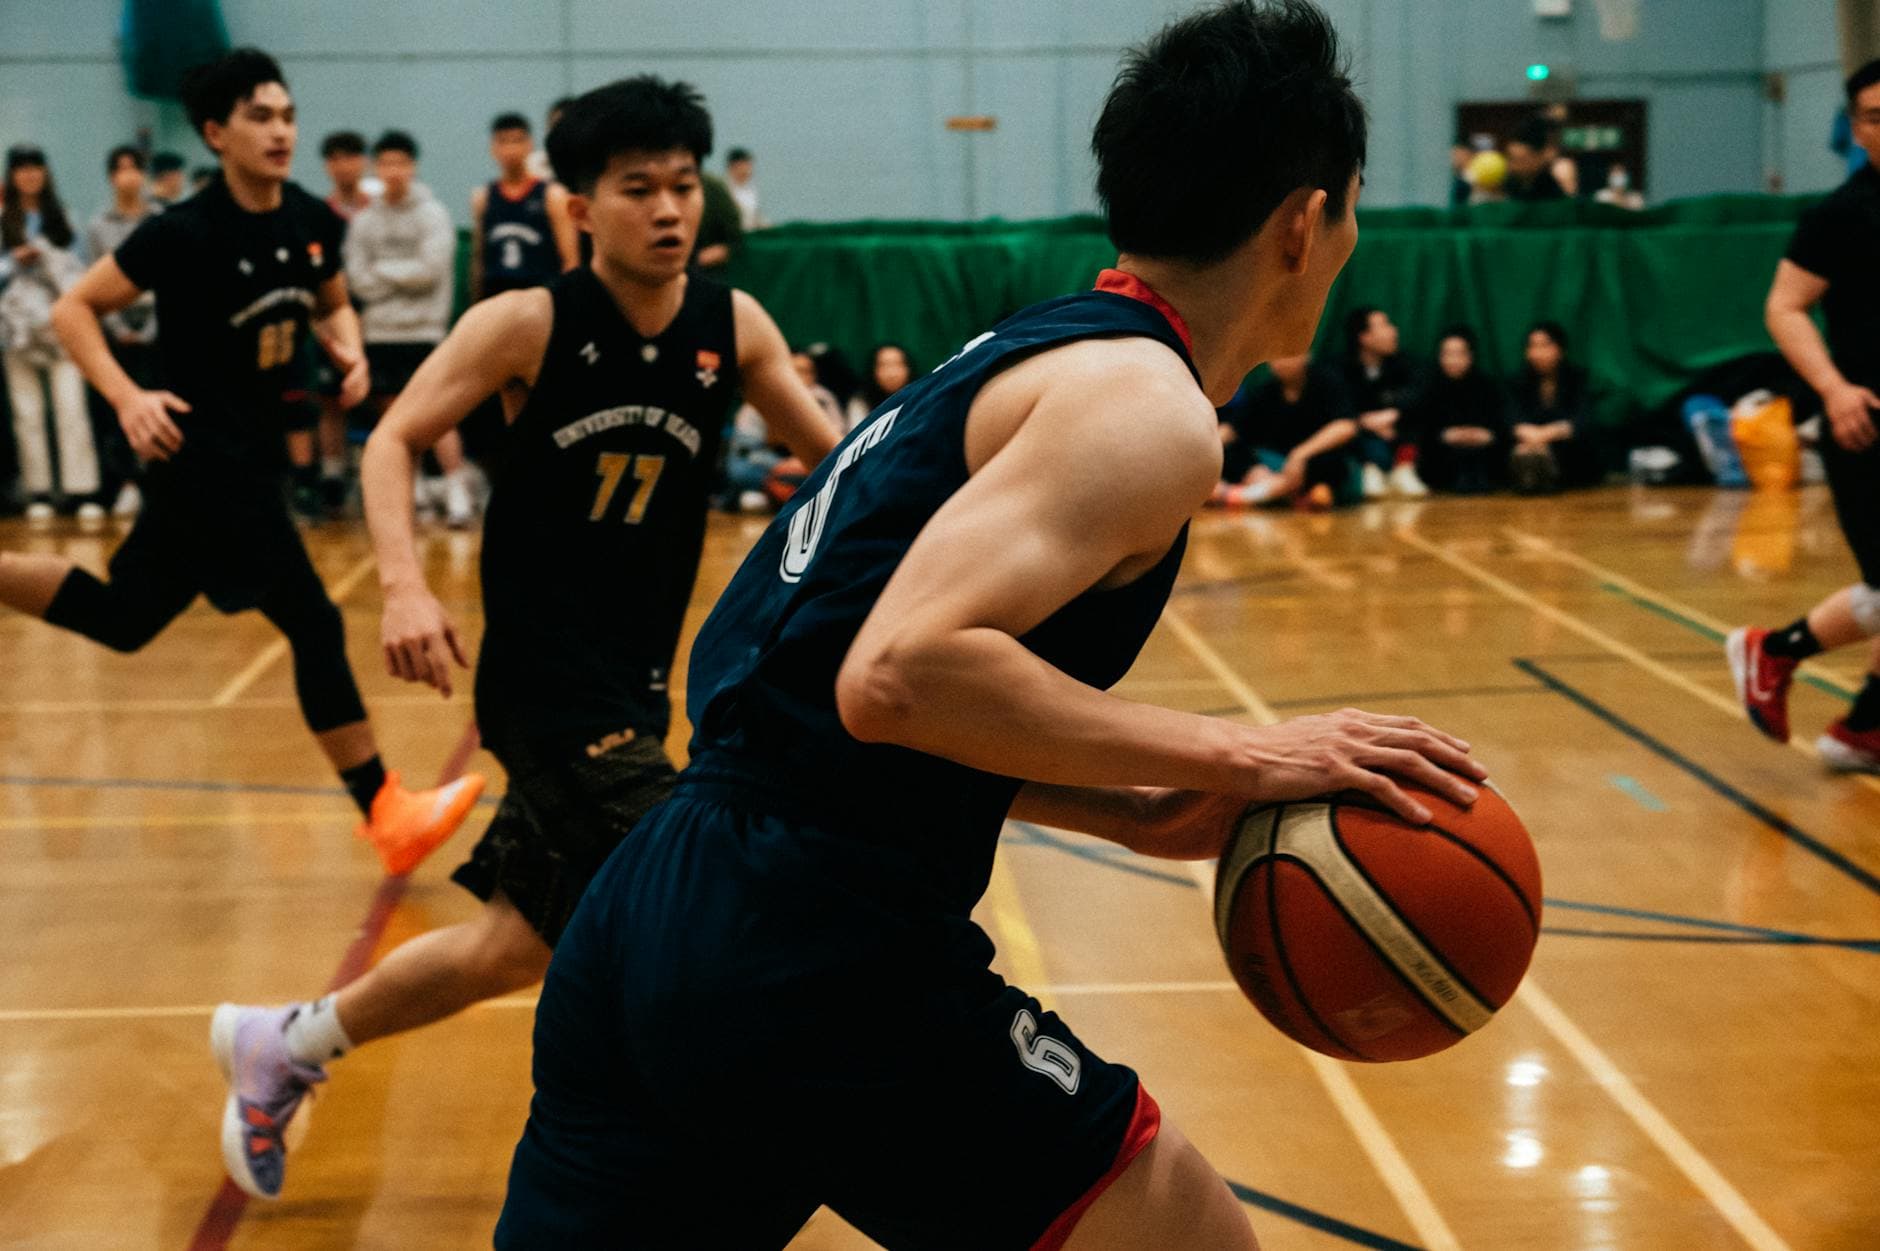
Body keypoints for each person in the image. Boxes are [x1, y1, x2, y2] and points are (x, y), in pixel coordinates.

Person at [496, 5, 1484, 1247]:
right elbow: (897, 676)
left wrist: (1118, 807)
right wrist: (1241, 753)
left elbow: (820, 712)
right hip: (811, 950)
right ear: (1303, 221)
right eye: (1348, 207)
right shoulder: (1149, 407)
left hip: (656, 912)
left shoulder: (1031, 352)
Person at [209, 74, 841, 1201]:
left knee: (515, 946)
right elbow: (391, 439)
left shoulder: (731, 326)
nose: (667, 210)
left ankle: (285, 1044)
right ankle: (705, 1149)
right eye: (636, 187)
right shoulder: (528, 324)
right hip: (546, 689)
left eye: (682, 187)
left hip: (640, 684)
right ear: (579, 206)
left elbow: (839, 466)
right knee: (699, 887)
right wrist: (403, 588)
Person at [18, 50, 483, 894]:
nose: (280, 131)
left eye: (286, 114)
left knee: (125, 617)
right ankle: (387, 812)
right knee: (312, 620)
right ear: (214, 133)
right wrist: (126, 397)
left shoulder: (307, 218)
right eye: (259, 117)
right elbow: (70, 307)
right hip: (200, 461)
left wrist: (345, 345)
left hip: (252, 460)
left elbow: (331, 295)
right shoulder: (181, 233)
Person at [1731, 57, 1880, 772]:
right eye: (1877, 117)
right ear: (1857, 128)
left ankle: (1863, 727)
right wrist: (1835, 388)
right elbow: (1783, 306)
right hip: (1865, 425)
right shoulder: (1841, 215)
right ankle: (1776, 651)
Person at [344, 130, 473, 527]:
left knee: (437, 417)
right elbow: (357, 278)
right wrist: (401, 275)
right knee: (396, 416)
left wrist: (383, 274)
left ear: (412, 166)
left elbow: (431, 271)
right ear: (376, 167)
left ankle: (457, 491)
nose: (393, 171)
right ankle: (414, 489)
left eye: (400, 162)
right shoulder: (364, 221)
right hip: (381, 331)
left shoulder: (433, 215)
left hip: (424, 330)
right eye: (385, 163)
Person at [1, 144, 100, 523]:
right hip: (16, 332)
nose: (29, 175)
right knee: (28, 413)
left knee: (71, 408)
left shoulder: (65, 219)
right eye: (21, 169)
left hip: (62, 329)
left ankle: (81, 490)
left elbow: (83, 273)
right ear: (11, 176)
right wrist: (13, 261)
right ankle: (38, 490)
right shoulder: (2, 220)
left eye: (35, 168)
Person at [287, 130, 372, 517]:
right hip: (332, 313)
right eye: (335, 158)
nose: (344, 166)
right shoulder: (317, 213)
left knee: (380, 396)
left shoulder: (377, 208)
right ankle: (334, 473)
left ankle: (377, 475)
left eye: (351, 156)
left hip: (379, 313)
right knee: (328, 399)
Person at [85, 145, 162, 519]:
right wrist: (116, 327)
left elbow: (170, 281)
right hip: (115, 327)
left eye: (135, 168)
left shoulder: (160, 219)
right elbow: (91, 286)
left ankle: (157, 481)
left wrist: (150, 329)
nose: (128, 176)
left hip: (157, 327)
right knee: (118, 410)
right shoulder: (99, 225)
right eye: (121, 169)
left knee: (160, 403)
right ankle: (128, 482)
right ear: (112, 177)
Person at [1213, 353, 1357, 508]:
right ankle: (1279, 493)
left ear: (1306, 355)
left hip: (1310, 463)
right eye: (1276, 357)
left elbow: (1346, 426)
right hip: (1271, 467)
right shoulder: (1265, 391)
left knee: (1332, 463)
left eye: (1288, 356)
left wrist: (1300, 454)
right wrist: (1207, 449)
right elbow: (1233, 428)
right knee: (1230, 452)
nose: (1281, 362)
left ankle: (1252, 495)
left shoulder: (1327, 381)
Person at [473, 112, 578, 301]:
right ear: (493, 148)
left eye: (517, 141)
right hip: (496, 296)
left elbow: (570, 259)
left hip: (540, 295)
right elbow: (479, 259)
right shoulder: (483, 197)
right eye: (503, 142)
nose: (511, 150)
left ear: (530, 145)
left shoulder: (551, 195)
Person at [1337, 304, 1427, 497]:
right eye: (1384, 325)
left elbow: (1419, 394)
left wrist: (1394, 414)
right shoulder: (1340, 369)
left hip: (1397, 434)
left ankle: (1405, 469)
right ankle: (1368, 471)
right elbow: (1337, 406)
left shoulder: (1405, 364)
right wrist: (1363, 421)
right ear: (1364, 337)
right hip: (1360, 438)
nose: (1393, 331)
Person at [1411, 326, 1506, 493]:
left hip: (1485, 457)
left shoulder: (1488, 387)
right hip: (1442, 461)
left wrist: (1485, 435)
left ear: (1470, 356)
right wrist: (1447, 435)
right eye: (1447, 354)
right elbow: (1422, 429)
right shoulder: (1429, 388)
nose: (1453, 360)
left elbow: (1501, 425)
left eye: (1459, 354)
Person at [1508, 320, 1597, 492]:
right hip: (1527, 444)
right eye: (1533, 346)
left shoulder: (1577, 379)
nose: (1538, 353)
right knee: (1524, 453)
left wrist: (1544, 436)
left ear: (1560, 349)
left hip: (1567, 450)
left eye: (1545, 346)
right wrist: (1532, 438)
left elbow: (1582, 420)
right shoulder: (1516, 382)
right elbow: (1511, 418)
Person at [845, 341, 914, 430]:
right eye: (884, 365)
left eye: (897, 364)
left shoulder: (921, 397)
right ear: (873, 370)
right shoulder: (861, 402)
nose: (892, 373)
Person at [1505, 117, 1568, 202]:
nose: (1511, 167)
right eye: (1510, 159)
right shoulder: (1508, 185)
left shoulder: (1553, 192)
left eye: (1520, 161)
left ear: (1540, 157)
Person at [725, 145, 767, 230]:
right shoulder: (723, 189)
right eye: (745, 166)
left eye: (749, 166)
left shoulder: (751, 190)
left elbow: (754, 216)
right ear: (733, 167)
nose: (748, 170)